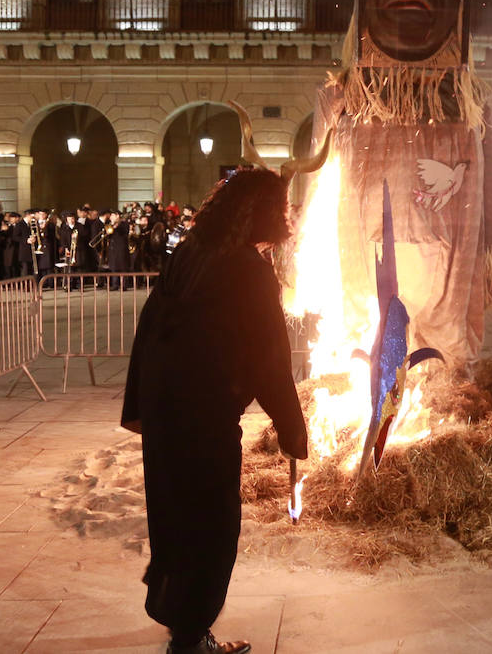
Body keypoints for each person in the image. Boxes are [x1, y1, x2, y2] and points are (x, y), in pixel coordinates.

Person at [121, 168, 307, 654]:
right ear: (262, 212)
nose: (286, 218)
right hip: (202, 414)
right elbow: (270, 356)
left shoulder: (192, 251)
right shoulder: (247, 268)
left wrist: (140, 402)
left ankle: (184, 625)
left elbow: (151, 321)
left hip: (167, 409)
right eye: (282, 209)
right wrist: (291, 428)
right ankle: (189, 639)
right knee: (212, 523)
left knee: (175, 515)